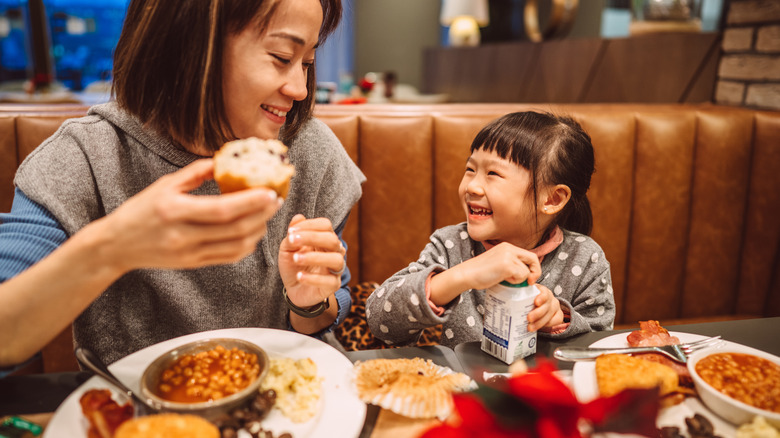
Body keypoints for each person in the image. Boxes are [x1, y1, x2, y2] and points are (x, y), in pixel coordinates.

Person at [0, 0, 364, 372]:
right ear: (190, 46)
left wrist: (308, 304)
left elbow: (323, 314)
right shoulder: (86, 157)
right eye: (281, 56)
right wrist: (112, 247)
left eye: (307, 63)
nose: (301, 89)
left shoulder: (313, 152)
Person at [366, 111, 614, 347]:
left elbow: (600, 347)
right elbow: (379, 321)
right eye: (470, 169)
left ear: (552, 200)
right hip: (463, 386)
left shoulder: (585, 258)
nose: (472, 187)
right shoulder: (451, 245)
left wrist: (559, 320)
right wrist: (463, 274)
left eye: (493, 173)